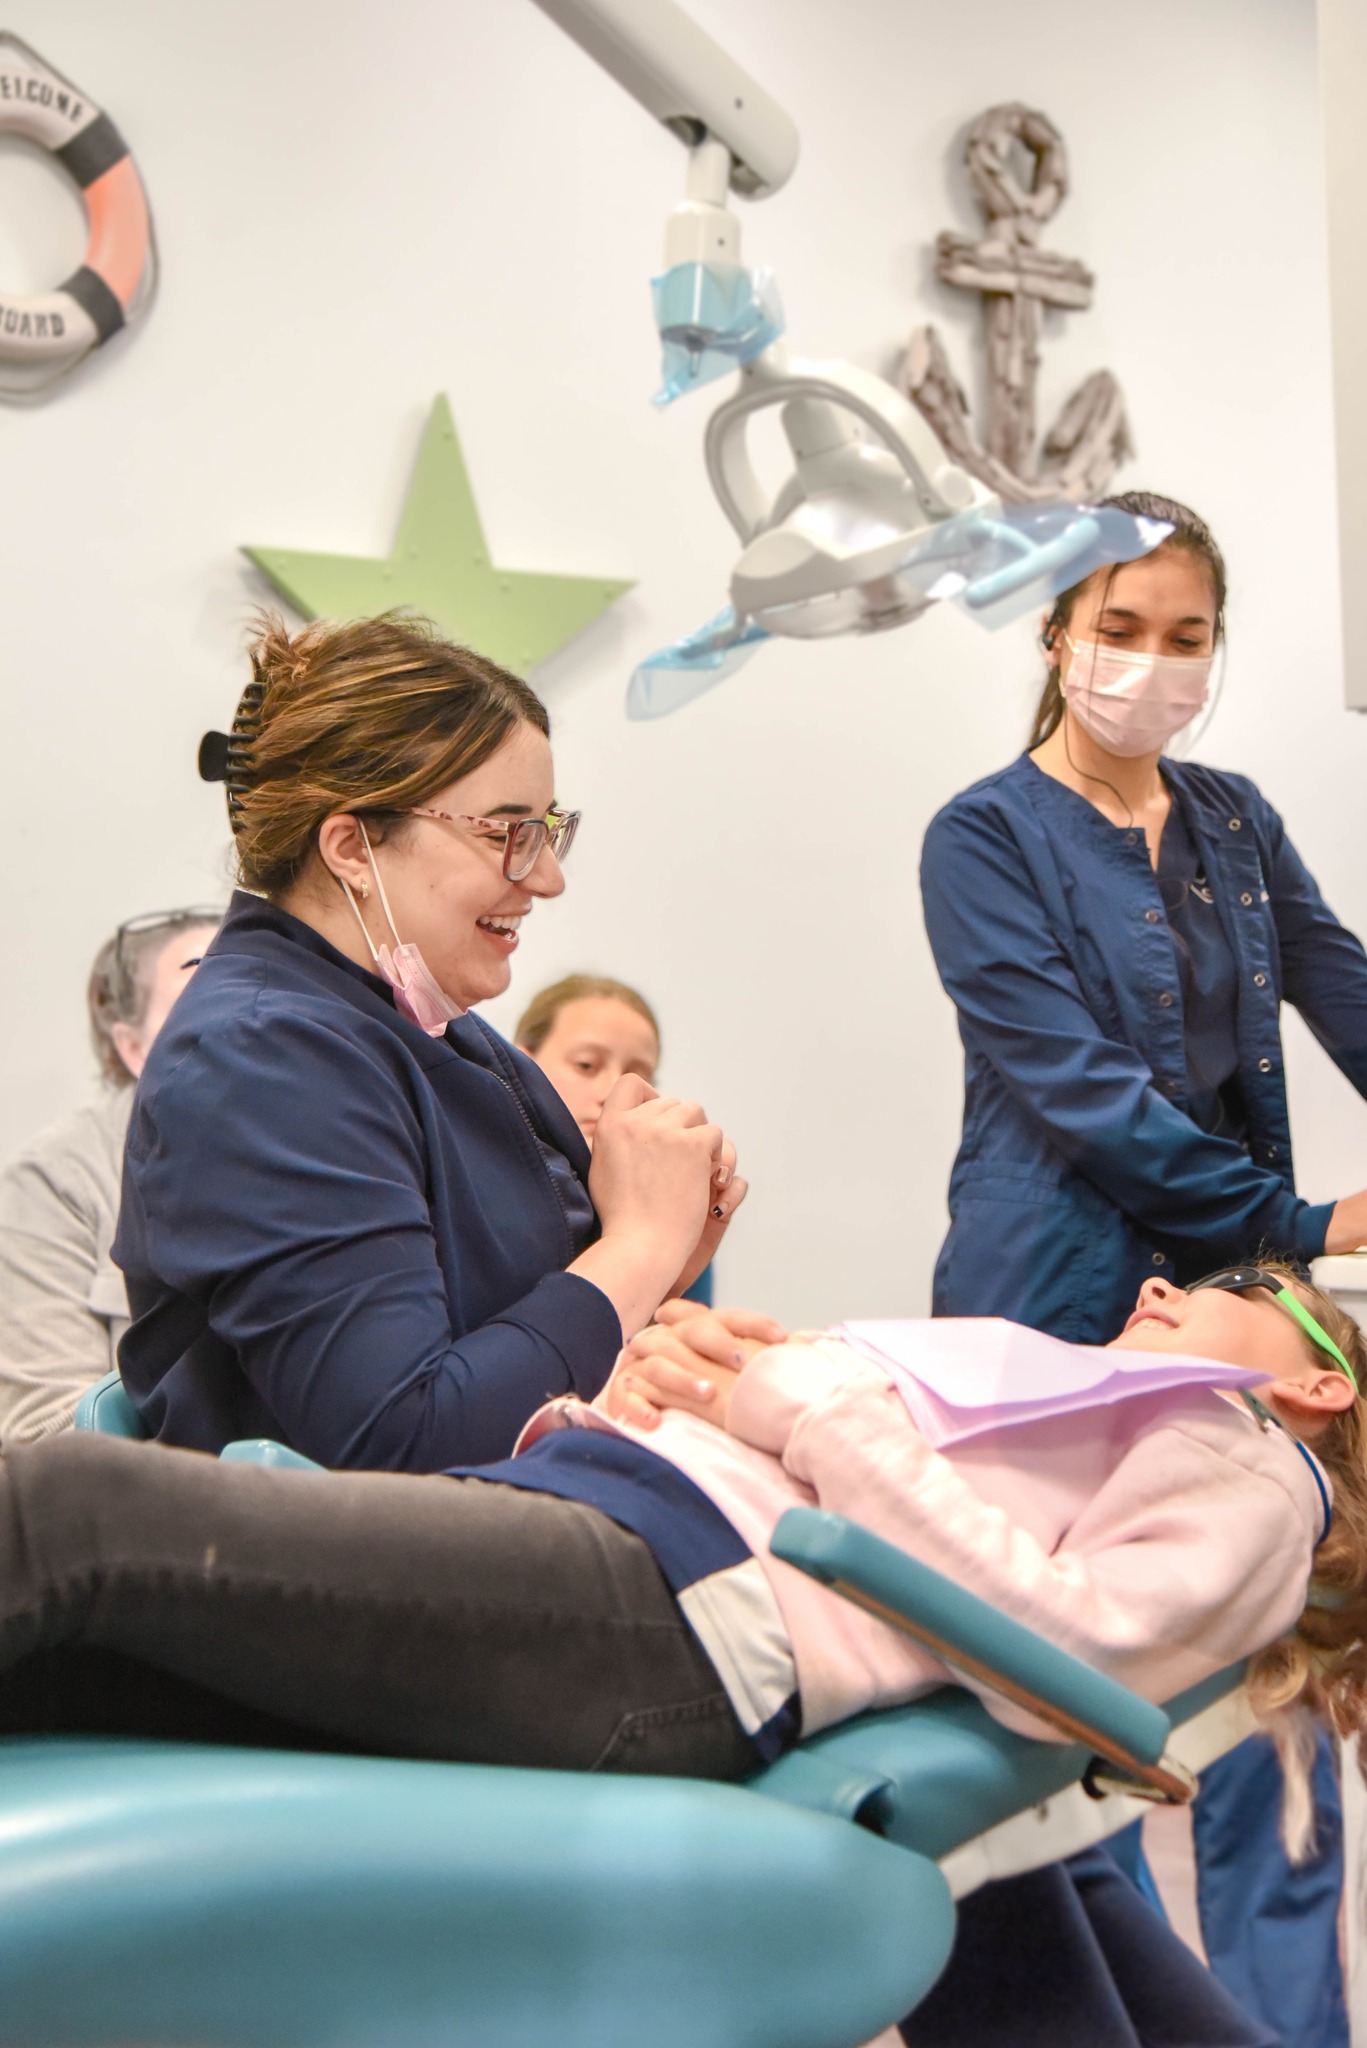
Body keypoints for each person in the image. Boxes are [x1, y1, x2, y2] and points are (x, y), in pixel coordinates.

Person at [0, 1264, 1361, 2048]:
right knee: (83, 1663)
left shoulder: (1251, 1462)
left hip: (674, 1609)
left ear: (1318, 1382)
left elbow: (1077, 1643)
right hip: (605, 1537)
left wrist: (800, 1406)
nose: (1157, 1282)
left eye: (1239, 1285)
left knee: (65, 1517)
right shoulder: (1078, 1410)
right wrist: (636, 1405)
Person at [919, 490, 1367, 2044]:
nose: (1150, 666)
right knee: (1055, 1728)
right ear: (1054, 634)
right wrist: (1303, 1228)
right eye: (1118, 631)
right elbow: (1075, 1091)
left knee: (1261, 1724)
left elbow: (1339, 987)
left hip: (1233, 1318)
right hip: (1050, 1299)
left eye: (1184, 638)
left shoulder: (1233, 820)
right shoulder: (980, 837)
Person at [113, 614, 746, 1470]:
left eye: (548, 830)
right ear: (350, 846)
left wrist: (663, 1259)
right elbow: (403, 1436)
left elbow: (506, 1329)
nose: (548, 878)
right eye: (507, 831)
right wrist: (634, 1250)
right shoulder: (260, 1059)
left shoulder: (428, 1031)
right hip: (348, 1577)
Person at [0, 908, 220, 1445]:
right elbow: (43, 1427)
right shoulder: (55, 1181)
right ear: (133, 1047)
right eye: (204, 994)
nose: (244, 1017)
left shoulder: (335, 1142)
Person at [516, 973, 714, 1305]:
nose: (613, 1092)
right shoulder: (470, 1180)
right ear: (521, 1063)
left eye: (637, 1076)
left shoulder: (670, 1213)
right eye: (586, 1065)